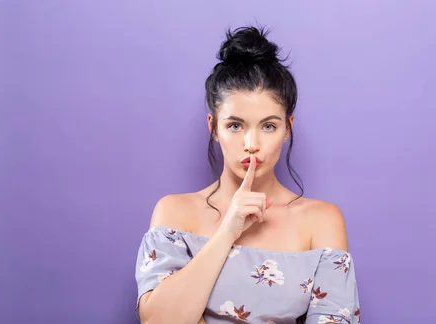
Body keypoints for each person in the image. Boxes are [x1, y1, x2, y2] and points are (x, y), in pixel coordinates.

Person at [134, 26, 360, 324]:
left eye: (268, 126)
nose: (251, 145)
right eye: (235, 125)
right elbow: (158, 320)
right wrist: (228, 230)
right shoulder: (176, 212)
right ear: (213, 127)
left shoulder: (321, 221)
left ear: (287, 128)